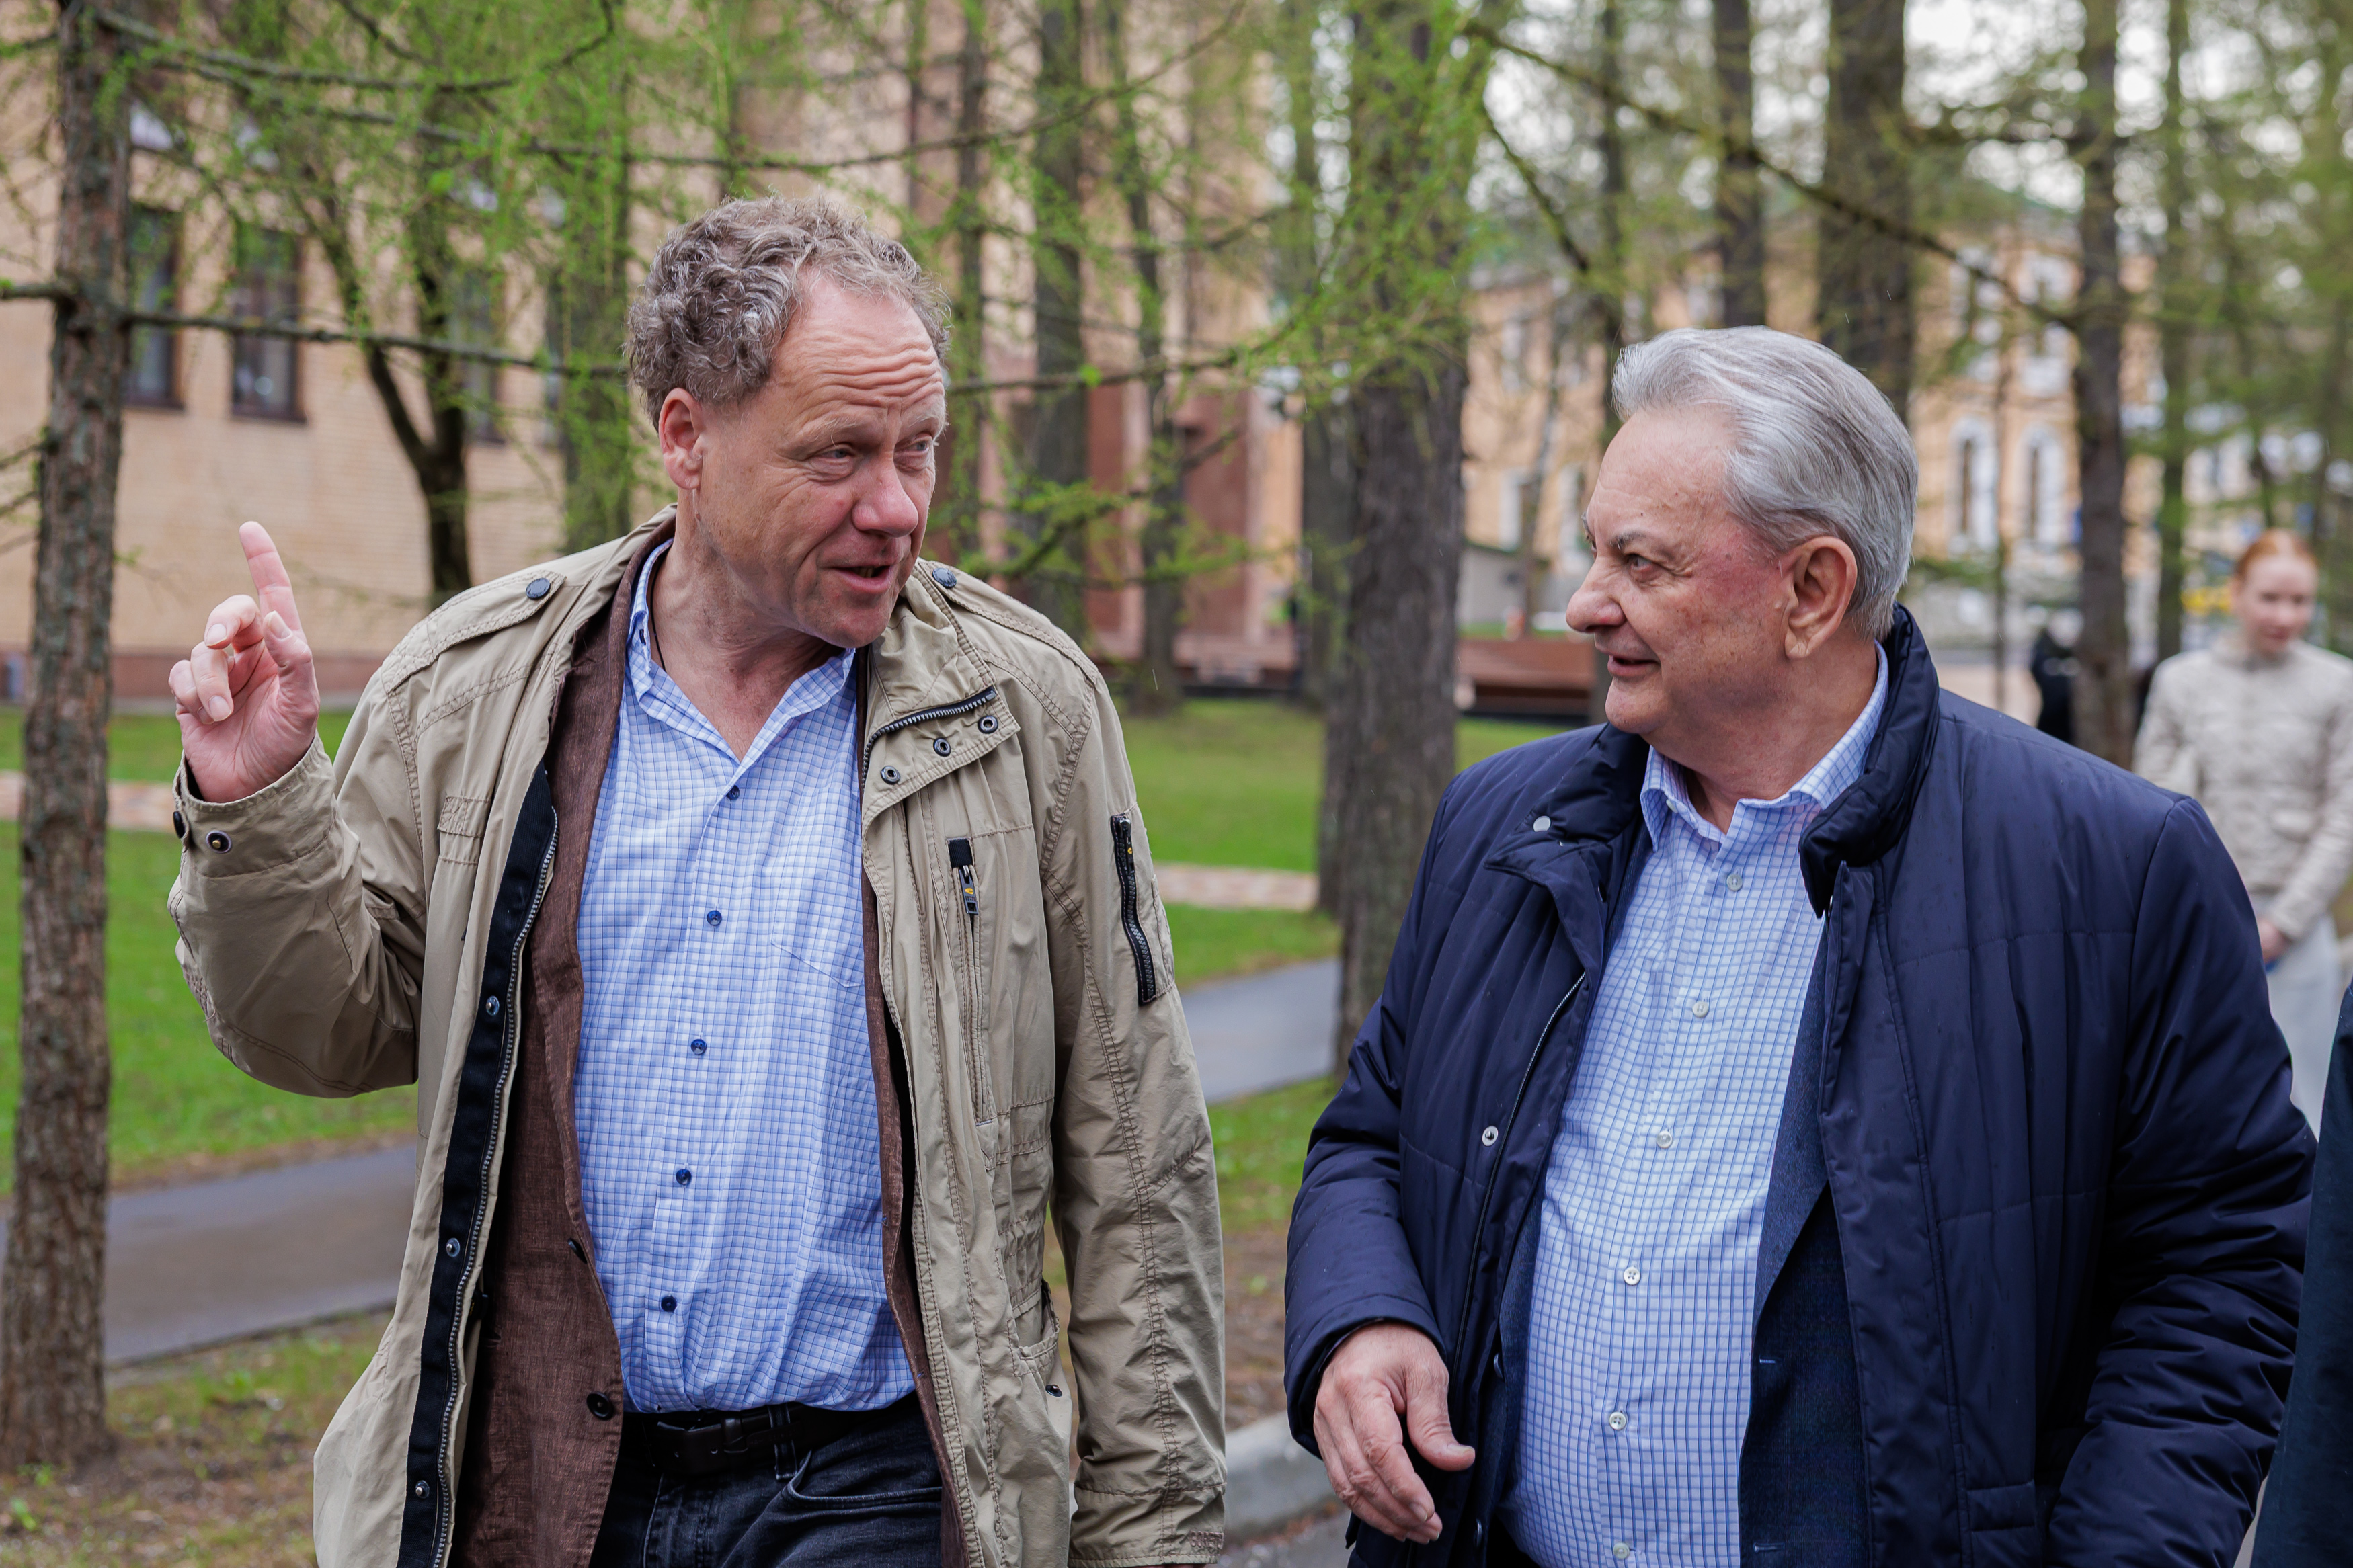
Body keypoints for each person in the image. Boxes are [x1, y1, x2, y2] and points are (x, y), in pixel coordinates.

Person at [166, 198, 1224, 1568]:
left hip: (875, 1494)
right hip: (542, 1480)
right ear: (685, 437)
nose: (897, 505)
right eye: (839, 453)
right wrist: (259, 804)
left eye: (918, 448)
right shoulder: (479, 689)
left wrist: (1155, 1539)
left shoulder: (1028, 716)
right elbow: (322, 1030)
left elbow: (1136, 1163)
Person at [1282, 326, 2311, 1566]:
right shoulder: (1500, 824)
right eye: (1594, 549)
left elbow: (2221, 1269)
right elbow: (1372, 1134)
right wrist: (1364, 1317)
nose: (1585, 602)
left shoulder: (2114, 867)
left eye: (1639, 561)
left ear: (1811, 590)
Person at [2137, 528, 2353, 1128]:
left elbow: (2345, 813)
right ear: (2235, 592)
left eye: (2299, 600)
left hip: (2296, 927)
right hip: (2198, 918)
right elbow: (2149, 800)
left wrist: (2284, 923)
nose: (2285, 615)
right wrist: (2197, 904)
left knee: (2305, 1095)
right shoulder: (2181, 681)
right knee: (2198, 1093)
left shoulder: (2338, 685)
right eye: (2270, 598)